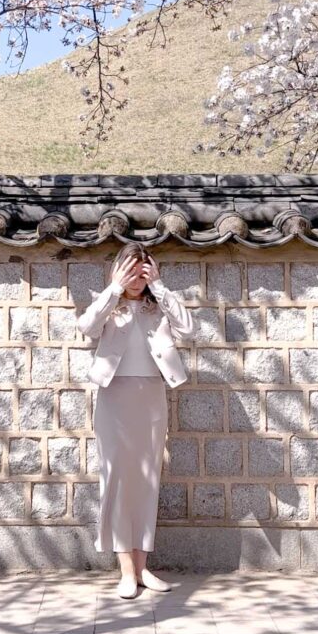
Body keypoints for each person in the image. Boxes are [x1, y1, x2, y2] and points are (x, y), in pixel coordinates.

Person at [77, 243, 195, 599]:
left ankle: (143, 568)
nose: (136, 279)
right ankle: (126, 570)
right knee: (116, 478)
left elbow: (188, 330)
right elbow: (86, 327)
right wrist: (114, 289)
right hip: (114, 398)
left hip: (151, 397)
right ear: (118, 270)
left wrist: (159, 287)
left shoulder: (157, 307)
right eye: (130, 270)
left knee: (147, 479)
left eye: (142, 271)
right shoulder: (109, 306)